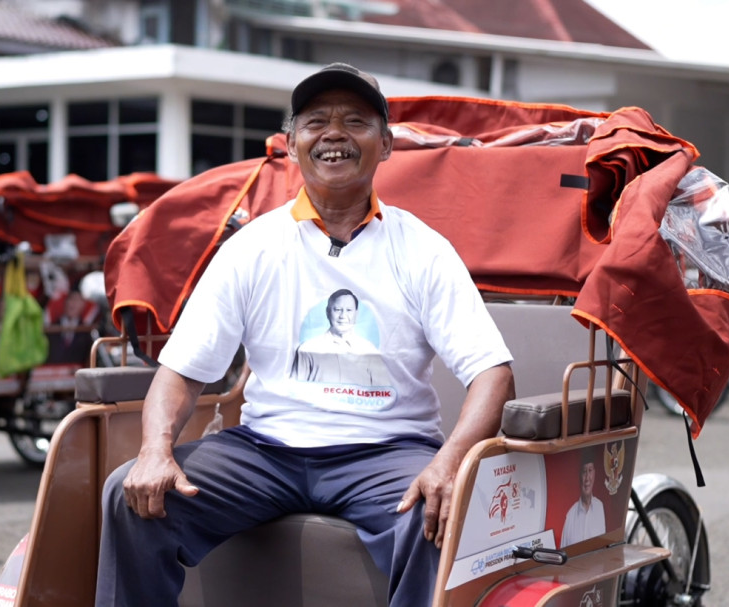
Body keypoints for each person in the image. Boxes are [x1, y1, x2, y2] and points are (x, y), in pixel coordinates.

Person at [95, 62, 515, 607]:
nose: (334, 134)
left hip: (386, 451)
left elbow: (492, 373)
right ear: (292, 145)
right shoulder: (251, 247)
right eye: (316, 122)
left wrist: (450, 461)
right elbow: (181, 373)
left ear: (386, 145)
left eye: (355, 122)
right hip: (265, 451)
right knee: (130, 493)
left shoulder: (423, 249)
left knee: (436, 512)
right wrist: (155, 450)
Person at [290, 287, 392, 385]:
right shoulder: (307, 349)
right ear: (328, 312)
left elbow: (383, 390)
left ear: (356, 314)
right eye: (338, 309)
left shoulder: (370, 350)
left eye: (349, 310)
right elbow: (294, 390)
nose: (343, 316)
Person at [560, 449, 606, 547]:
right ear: (579, 476)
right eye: (584, 471)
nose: (587, 478)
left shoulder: (600, 508)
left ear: (594, 473)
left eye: (590, 470)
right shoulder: (570, 515)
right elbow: (563, 551)